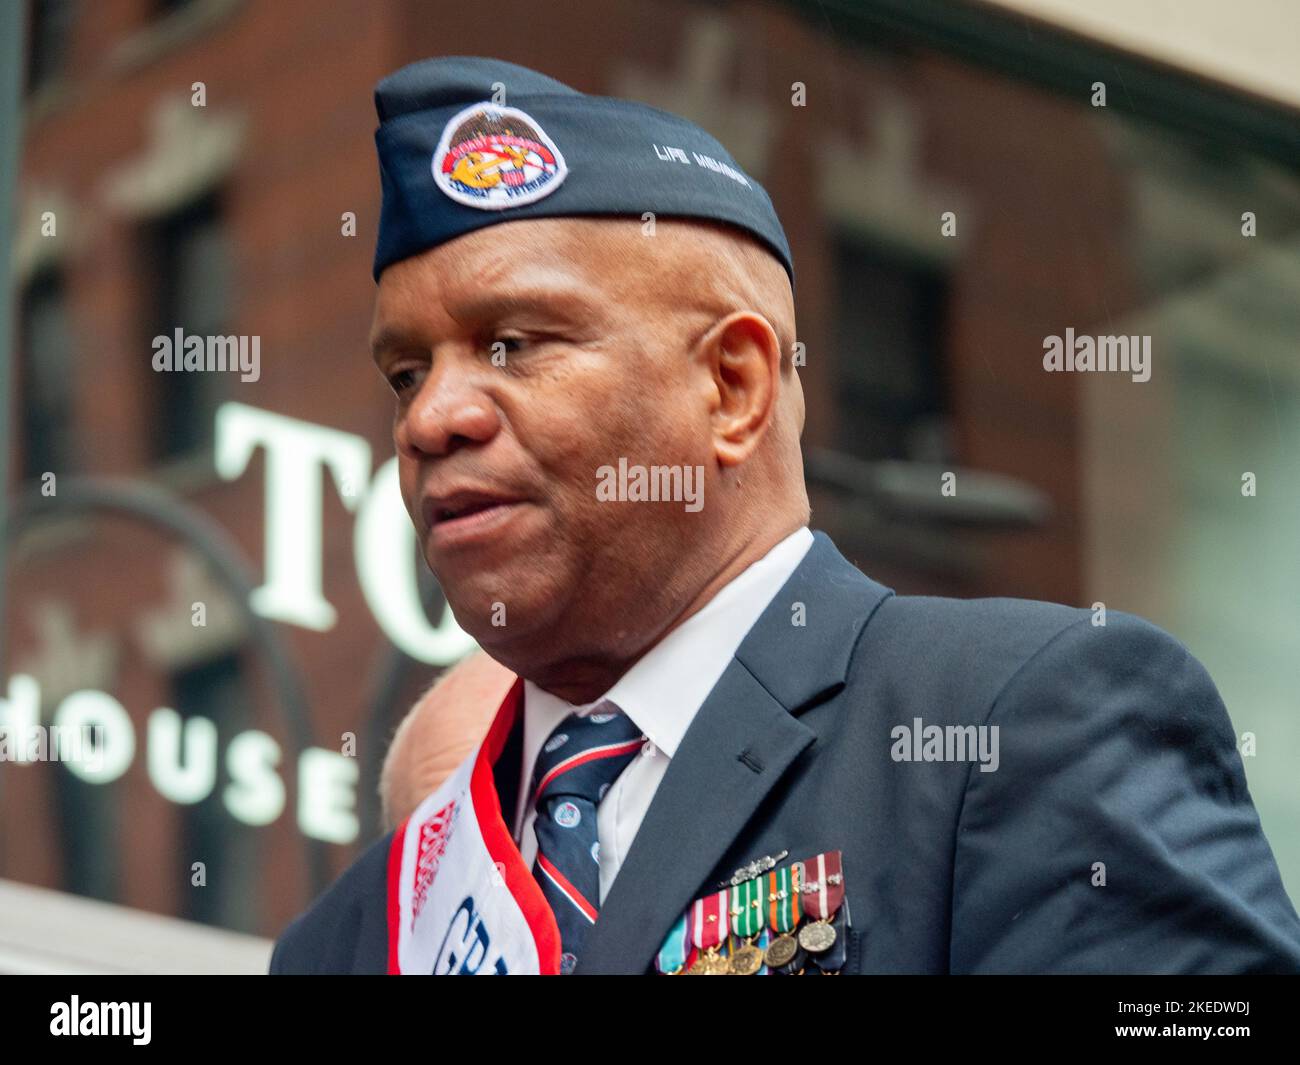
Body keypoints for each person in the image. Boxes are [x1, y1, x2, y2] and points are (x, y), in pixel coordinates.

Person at [270, 55, 1300, 975]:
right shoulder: (350, 941)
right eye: (406, 373)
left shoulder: (1018, 724)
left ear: (732, 385)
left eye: (514, 344)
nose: (432, 419)